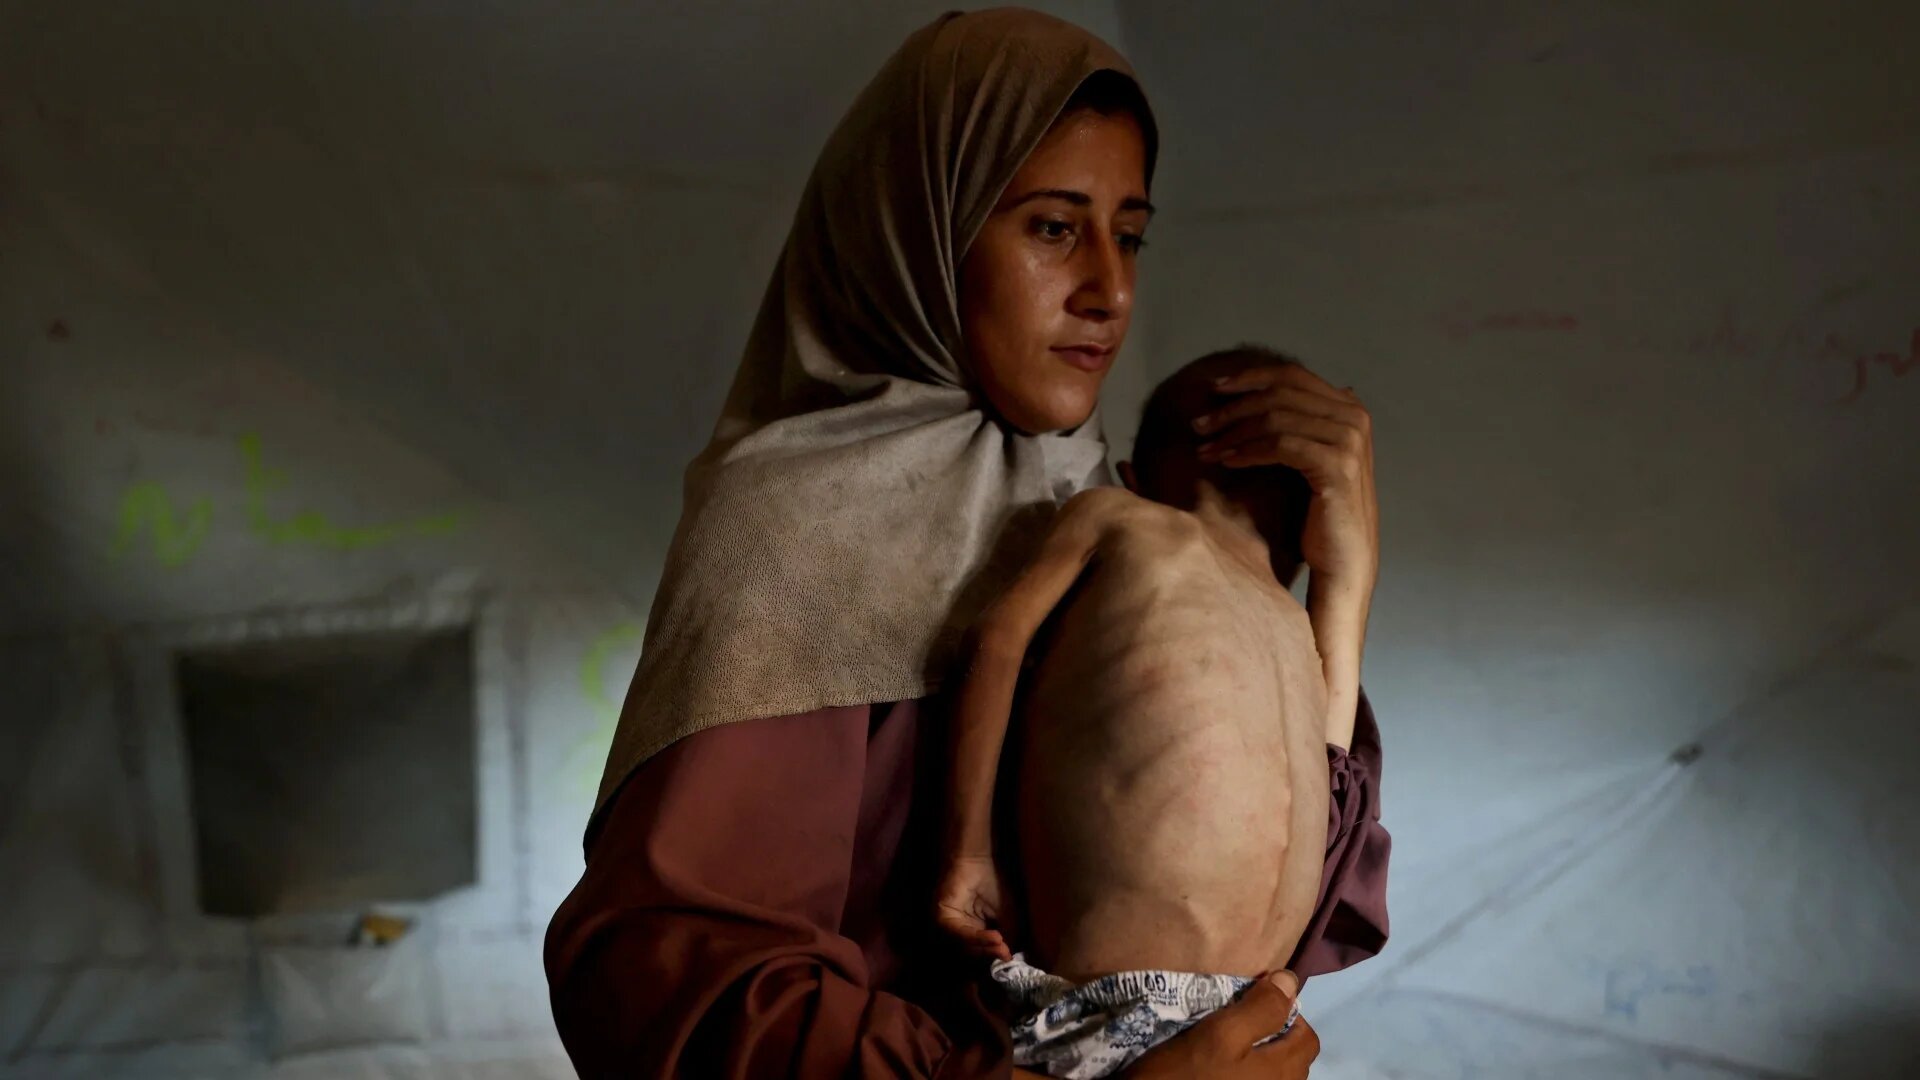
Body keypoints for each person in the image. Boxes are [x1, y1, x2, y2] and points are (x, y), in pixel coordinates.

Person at [543, 9, 1385, 1077]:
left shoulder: (1122, 512)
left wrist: (1344, 582)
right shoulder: (800, 531)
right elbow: (670, 982)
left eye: (1128, 234)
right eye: (1051, 227)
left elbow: (1286, 905)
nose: (1109, 291)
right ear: (920, 230)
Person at [933, 347, 1389, 1078]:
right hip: (1111, 1009)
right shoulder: (1122, 522)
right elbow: (996, 642)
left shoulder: (1289, 619)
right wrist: (970, 852)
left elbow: (1336, 784)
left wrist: (1346, 574)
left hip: (1253, 1028)